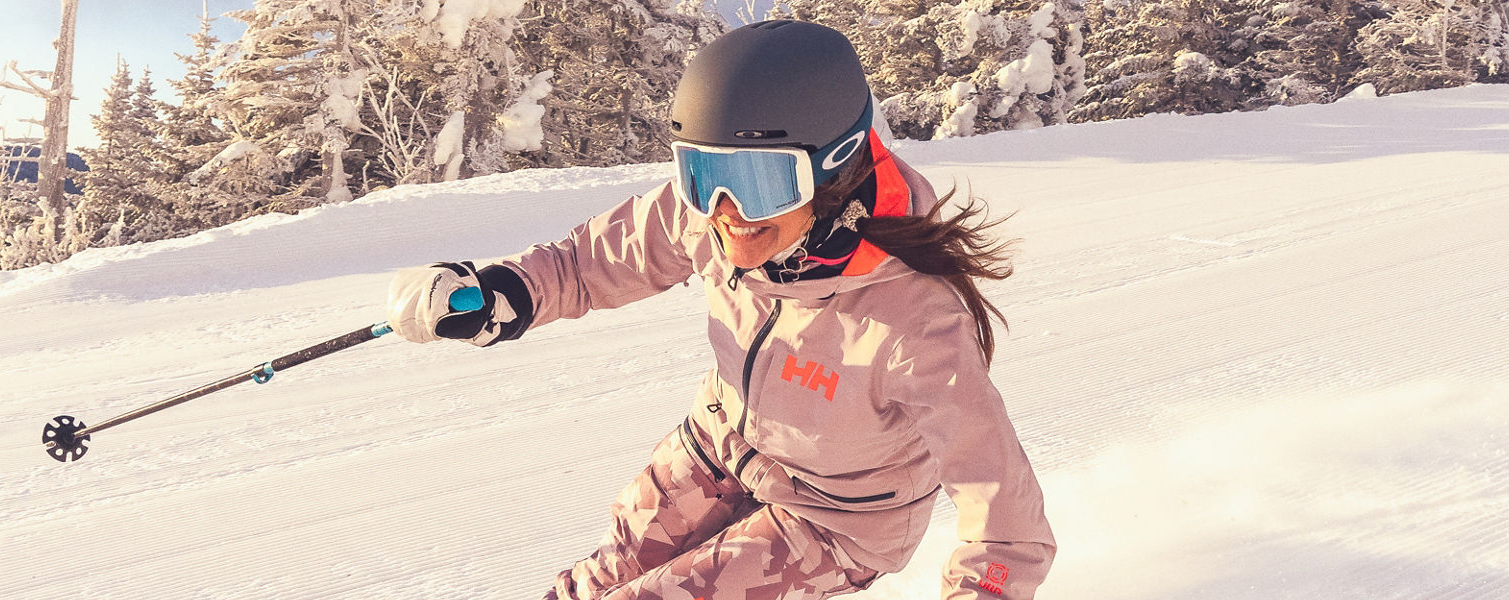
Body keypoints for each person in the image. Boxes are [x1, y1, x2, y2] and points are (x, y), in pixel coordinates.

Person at [383, 20, 1055, 600]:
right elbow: (588, 264)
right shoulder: (711, 219)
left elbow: (1007, 526)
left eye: (760, 182)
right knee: (595, 583)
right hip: (719, 445)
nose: (725, 212)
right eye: (703, 174)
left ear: (834, 171)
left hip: (837, 514)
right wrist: (501, 294)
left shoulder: (914, 320)